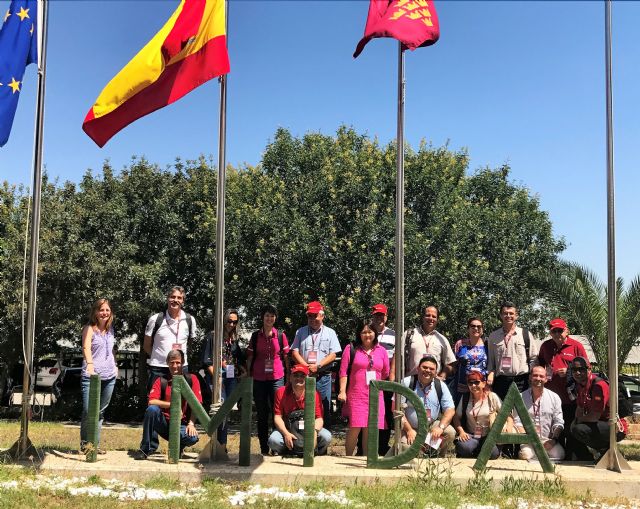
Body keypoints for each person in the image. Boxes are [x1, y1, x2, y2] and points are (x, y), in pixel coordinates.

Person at [136, 349, 202, 459]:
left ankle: (178, 447)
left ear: (183, 363)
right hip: (164, 423)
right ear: (167, 363)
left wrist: (191, 423)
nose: (175, 366)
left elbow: (197, 404)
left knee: (192, 438)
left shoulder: (192, 379)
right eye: (172, 362)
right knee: (152, 410)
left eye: (178, 362)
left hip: (182, 424)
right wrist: (172, 405)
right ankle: (146, 449)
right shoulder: (161, 381)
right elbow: (151, 401)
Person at [537, 317, 588, 458]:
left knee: (571, 431)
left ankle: (573, 457)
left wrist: (570, 371)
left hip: (571, 398)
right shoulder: (546, 346)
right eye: (554, 331)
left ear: (567, 331)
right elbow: (540, 363)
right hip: (552, 398)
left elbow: (586, 369)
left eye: (560, 330)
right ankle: (557, 456)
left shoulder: (576, 346)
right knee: (555, 430)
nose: (557, 334)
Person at [338, 320, 390, 456]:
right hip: (356, 394)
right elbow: (343, 372)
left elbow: (385, 373)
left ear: (375, 333)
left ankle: (367, 458)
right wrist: (342, 391)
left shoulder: (382, 351)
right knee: (355, 427)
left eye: (370, 332)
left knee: (370, 428)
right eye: (364, 332)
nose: (367, 335)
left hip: (375, 395)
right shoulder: (351, 349)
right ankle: (348, 456)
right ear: (359, 334)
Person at [246, 304, 290, 455]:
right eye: (266, 315)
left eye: (272, 316)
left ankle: (276, 446)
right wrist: (247, 375)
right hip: (259, 378)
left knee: (277, 412)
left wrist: (289, 376)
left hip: (277, 377)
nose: (269, 318)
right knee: (262, 414)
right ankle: (264, 448)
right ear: (262, 317)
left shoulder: (280, 335)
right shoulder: (255, 336)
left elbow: (286, 357)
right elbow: (250, 357)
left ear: (275, 318)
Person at [291, 301, 342, 424]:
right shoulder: (300, 332)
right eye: (310, 316)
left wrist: (318, 366)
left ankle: (322, 438)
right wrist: (306, 367)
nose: (312, 319)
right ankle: (302, 437)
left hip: (323, 376)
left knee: (324, 407)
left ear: (322, 315)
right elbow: (294, 352)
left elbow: (333, 354)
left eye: (315, 315)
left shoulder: (330, 332)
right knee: (302, 406)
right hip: (303, 376)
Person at [202, 308, 246, 447]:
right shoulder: (212, 336)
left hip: (231, 378)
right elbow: (206, 360)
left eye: (235, 322)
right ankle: (215, 443)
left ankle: (222, 445)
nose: (231, 324)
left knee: (226, 411)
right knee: (218, 410)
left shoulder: (233, 339)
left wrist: (243, 370)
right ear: (223, 320)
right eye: (229, 321)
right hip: (216, 378)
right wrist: (217, 377)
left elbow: (238, 358)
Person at [569, 357, 627, 461]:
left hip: (616, 426)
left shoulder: (598, 386)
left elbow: (595, 416)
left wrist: (578, 421)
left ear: (589, 369)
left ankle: (605, 449)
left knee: (580, 429)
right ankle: (588, 457)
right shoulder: (580, 386)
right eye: (574, 370)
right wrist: (575, 421)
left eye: (581, 369)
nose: (577, 373)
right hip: (600, 424)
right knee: (573, 428)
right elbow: (580, 407)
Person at [268, 364, 332, 456]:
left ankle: (315, 453)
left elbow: (319, 418)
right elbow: (277, 417)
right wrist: (286, 434)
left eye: (302, 376)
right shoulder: (281, 392)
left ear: (307, 378)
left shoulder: (314, 393)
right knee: (274, 440)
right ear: (290, 378)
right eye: (296, 375)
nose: (299, 378)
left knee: (326, 437)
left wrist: (314, 432)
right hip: (288, 429)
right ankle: (287, 451)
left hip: (308, 429)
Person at [80, 298, 118, 454]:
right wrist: (90, 364)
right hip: (91, 377)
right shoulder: (89, 328)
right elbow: (85, 347)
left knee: (100, 412)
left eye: (107, 310)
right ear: (95, 312)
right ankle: (85, 444)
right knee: (89, 411)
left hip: (109, 376)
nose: (104, 313)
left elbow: (111, 351)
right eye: (101, 310)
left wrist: (115, 366)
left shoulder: (111, 330)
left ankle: (94, 444)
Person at [143, 286, 197, 392]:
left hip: (181, 368)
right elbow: (146, 345)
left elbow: (190, 343)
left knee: (180, 403)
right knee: (155, 404)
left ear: (183, 301)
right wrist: (159, 357)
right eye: (172, 297)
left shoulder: (190, 320)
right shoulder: (155, 319)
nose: (175, 300)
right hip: (159, 368)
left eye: (179, 298)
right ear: (168, 298)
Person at [401, 355, 456, 457]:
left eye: (431, 369)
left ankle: (437, 456)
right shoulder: (407, 382)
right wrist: (409, 430)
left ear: (436, 372)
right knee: (406, 448)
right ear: (418, 368)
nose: (427, 370)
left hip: (431, 427)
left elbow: (450, 409)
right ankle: (422, 453)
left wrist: (440, 427)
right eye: (424, 367)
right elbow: (396, 410)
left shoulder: (440, 385)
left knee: (450, 432)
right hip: (411, 428)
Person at [452, 371, 513, 459]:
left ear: (484, 383)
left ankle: (480, 450)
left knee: (492, 453)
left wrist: (509, 427)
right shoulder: (465, 398)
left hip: (489, 435)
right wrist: (461, 432)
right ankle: (475, 450)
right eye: (470, 383)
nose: (473, 386)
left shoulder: (492, 397)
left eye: (476, 382)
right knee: (464, 448)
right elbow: (456, 417)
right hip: (471, 435)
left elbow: (507, 414)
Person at [487, 301, 539, 400]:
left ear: (516, 316)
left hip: (522, 381)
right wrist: (490, 374)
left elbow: (533, 358)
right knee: (502, 413)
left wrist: (531, 377)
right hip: (501, 382)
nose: (508, 315)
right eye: (505, 313)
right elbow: (491, 361)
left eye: (511, 313)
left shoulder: (526, 334)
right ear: (501, 316)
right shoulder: (493, 336)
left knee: (521, 413)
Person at [513, 366, 565, 461]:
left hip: (547, 440)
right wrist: (529, 438)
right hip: (528, 440)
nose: (538, 378)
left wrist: (553, 441)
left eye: (541, 376)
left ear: (546, 379)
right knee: (525, 455)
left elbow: (559, 422)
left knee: (560, 454)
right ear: (530, 377)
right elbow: (517, 422)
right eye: (535, 375)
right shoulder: (520, 397)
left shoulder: (554, 397)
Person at [399, 305, 455, 379]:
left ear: (437, 320)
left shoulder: (442, 339)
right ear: (422, 317)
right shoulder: (409, 334)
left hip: (433, 384)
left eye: (434, 316)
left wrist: (442, 377)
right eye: (428, 315)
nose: (431, 318)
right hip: (411, 382)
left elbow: (450, 363)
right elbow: (397, 358)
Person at [370, 303, 396, 455]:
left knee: (385, 413)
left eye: (382, 315)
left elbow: (395, 357)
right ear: (372, 316)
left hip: (386, 379)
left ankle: (382, 445)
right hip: (368, 380)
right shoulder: (367, 331)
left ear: (386, 317)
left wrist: (391, 377)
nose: (379, 318)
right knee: (368, 412)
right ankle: (364, 446)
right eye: (376, 315)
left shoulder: (393, 334)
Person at [452, 317, 488, 406]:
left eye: (479, 326)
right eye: (473, 326)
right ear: (468, 328)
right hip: (463, 386)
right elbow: (453, 364)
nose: (476, 328)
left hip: (481, 385)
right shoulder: (460, 344)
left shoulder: (487, 344)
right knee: (461, 412)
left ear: (482, 329)